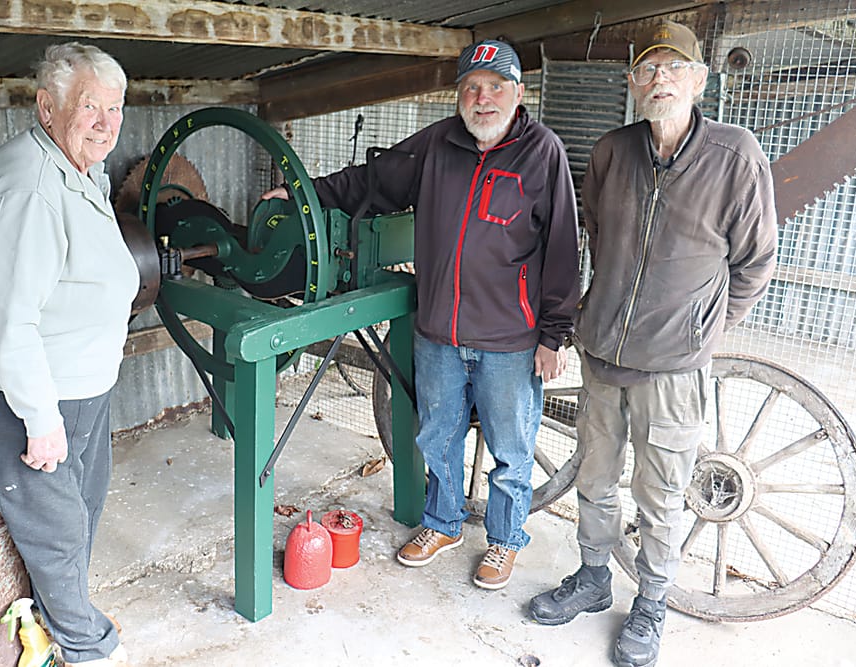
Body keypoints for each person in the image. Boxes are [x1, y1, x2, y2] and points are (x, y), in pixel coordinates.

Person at [263, 39, 580, 590]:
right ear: (459, 96)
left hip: (510, 337)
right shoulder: (439, 143)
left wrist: (555, 335)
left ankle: (504, 541)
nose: (483, 99)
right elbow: (370, 183)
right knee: (439, 436)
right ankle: (443, 523)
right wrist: (302, 196)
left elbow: (561, 250)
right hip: (439, 330)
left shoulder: (543, 153)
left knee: (510, 448)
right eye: (472, 89)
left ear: (518, 93)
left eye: (495, 87)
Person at [527, 20, 777, 667]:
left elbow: (755, 261)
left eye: (674, 67)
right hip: (604, 355)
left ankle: (652, 601)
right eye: (648, 69)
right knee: (595, 474)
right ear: (633, 82)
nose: (659, 78)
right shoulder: (612, 151)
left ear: (699, 80)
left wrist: (705, 331)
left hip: (674, 368)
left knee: (661, 490)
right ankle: (592, 577)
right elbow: (599, 238)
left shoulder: (734, 154)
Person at [0, 42, 136, 667]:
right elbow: (8, 325)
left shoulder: (81, 170)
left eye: (115, 108)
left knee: (85, 493)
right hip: (8, 373)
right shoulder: (31, 190)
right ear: (47, 107)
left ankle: (54, 604)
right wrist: (40, 420)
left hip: (77, 372)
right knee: (53, 515)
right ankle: (82, 644)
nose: (105, 122)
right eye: (89, 106)